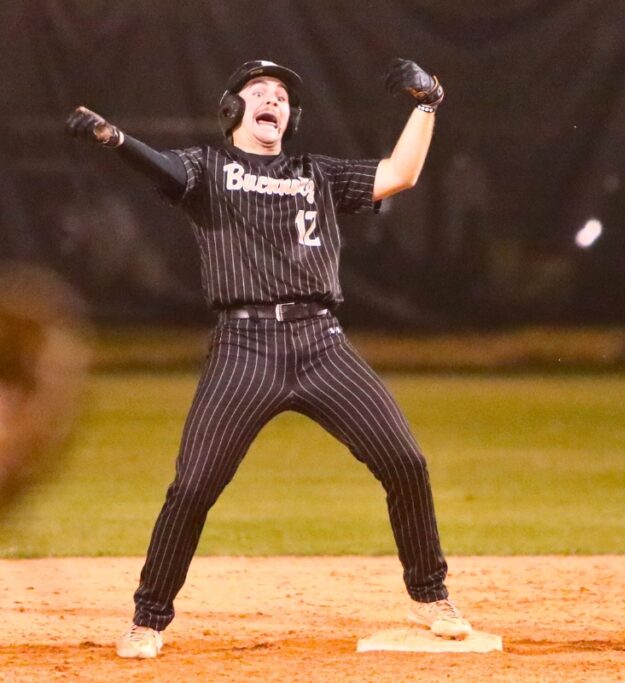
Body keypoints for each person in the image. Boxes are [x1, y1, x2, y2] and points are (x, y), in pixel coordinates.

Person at [66, 58, 472, 659]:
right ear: (233, 109)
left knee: (405, 461)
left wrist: (428, 102)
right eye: (258, 91)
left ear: (290, 116)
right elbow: (160, 167)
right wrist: (115, 139)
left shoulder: (317, 172)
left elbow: (399, 174)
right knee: (195, 485)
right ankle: (148, 618)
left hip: (322, 343)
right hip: (244, 346)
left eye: (280, 95)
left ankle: (431, 593)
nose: (271, 100)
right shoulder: (208, 168)